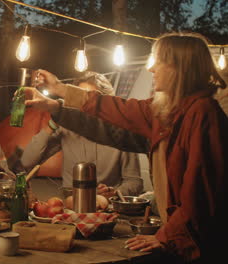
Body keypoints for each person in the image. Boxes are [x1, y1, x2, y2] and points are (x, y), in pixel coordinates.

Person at [23, 32, 228, 263]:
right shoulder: (166, 110)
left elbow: (199, 193)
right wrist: (59, 94)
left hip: (200, 246)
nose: (151, 68)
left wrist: (166, 236)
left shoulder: (203, 114)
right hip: (182, 238)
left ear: (180, 68)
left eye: (158, 61)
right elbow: (116, 108)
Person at [21, 72, 143, 197]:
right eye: (78, 100)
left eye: (89, 100)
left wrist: (116, 193)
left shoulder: (120, 133)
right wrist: (53, 122)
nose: (84, 107)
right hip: (72, 205)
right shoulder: (67, 129)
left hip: (108, 207)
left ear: (105, 105)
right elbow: (27, 161)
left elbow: (134, 181)